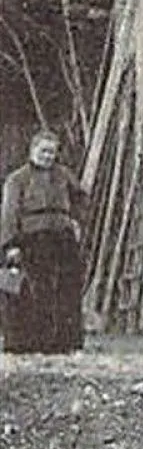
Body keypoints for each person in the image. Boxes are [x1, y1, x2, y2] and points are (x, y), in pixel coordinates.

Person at [0, 131, 87, 354]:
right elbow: (9, 214)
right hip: (33, 238)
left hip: (63, 236)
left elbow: (81, 200)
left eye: (52, 152)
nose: (48, 156)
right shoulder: (17, 179)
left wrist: (76, 221)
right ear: (33, 151)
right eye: (44, 151)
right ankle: (35, 343)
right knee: (38, 289)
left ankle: (66, 343)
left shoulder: (64, 175)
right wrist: (11, 244)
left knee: (68, 288)